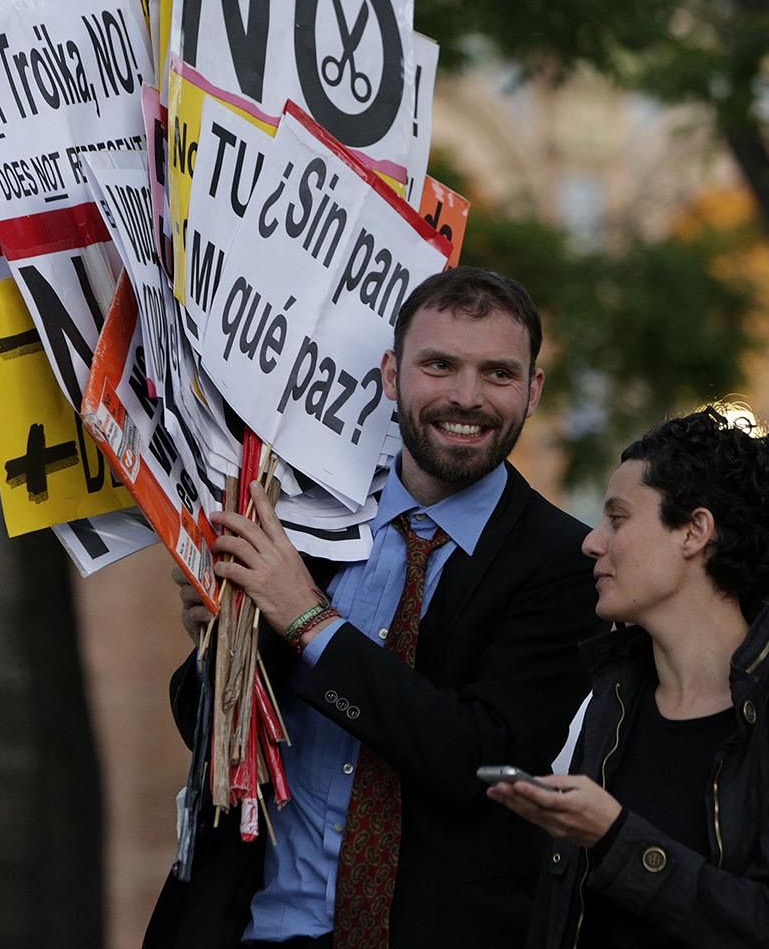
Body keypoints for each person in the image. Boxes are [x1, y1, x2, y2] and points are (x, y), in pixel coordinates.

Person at [145, 267, 600, 949]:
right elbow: (205, 734)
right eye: (439, 365)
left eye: (498, 373)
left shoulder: (565, 562)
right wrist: (222, 643)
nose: (466, 397)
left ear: (533, 390)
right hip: (251, 925)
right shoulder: (301, 514)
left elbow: (475, 759)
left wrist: (307, 620)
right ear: (392, 375)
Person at [489, 406, 769, 948]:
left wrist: (617, 837)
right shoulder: (613, 696)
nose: (592, 543)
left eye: (618, 519)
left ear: (694, 531)